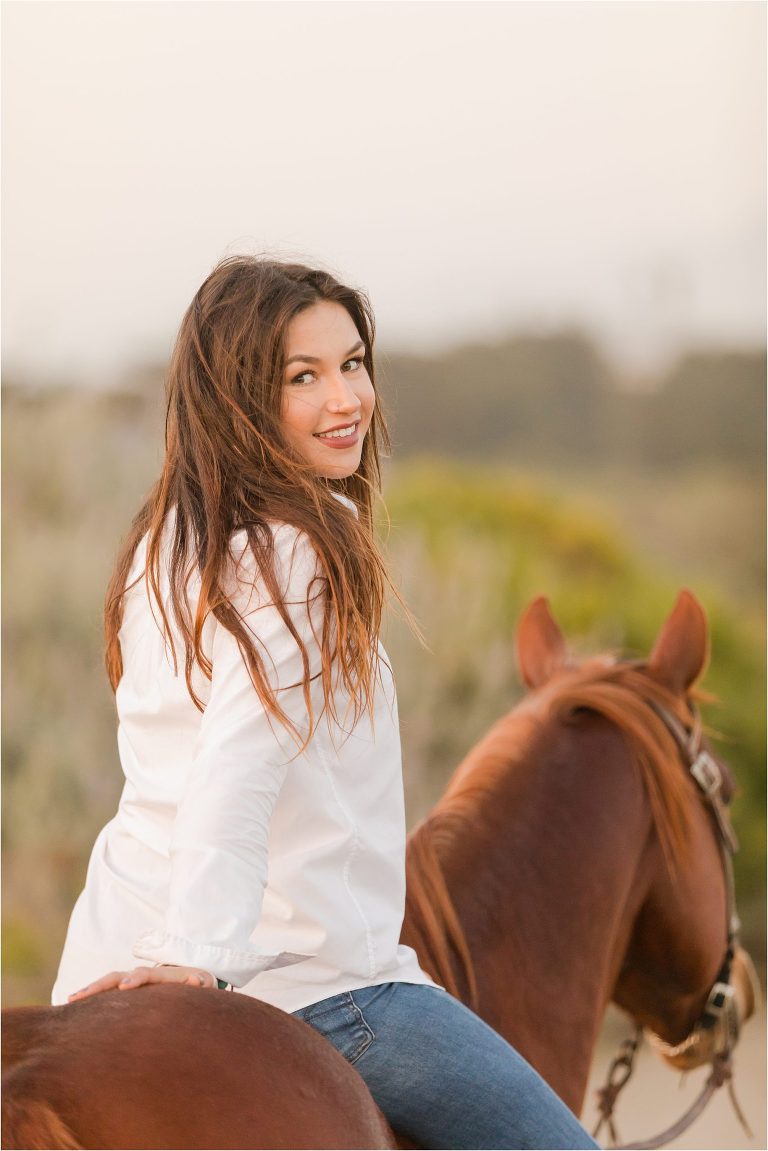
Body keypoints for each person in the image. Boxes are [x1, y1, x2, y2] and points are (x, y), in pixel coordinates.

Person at [53, 255, 598, 1150]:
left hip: (104, 959)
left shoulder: (160, 543)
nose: (345, 398)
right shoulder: (303, 550)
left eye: (352, 363)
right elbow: (240, 756)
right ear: (235, 399)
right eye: (302, 377)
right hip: (314, 983)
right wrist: (198, 955)